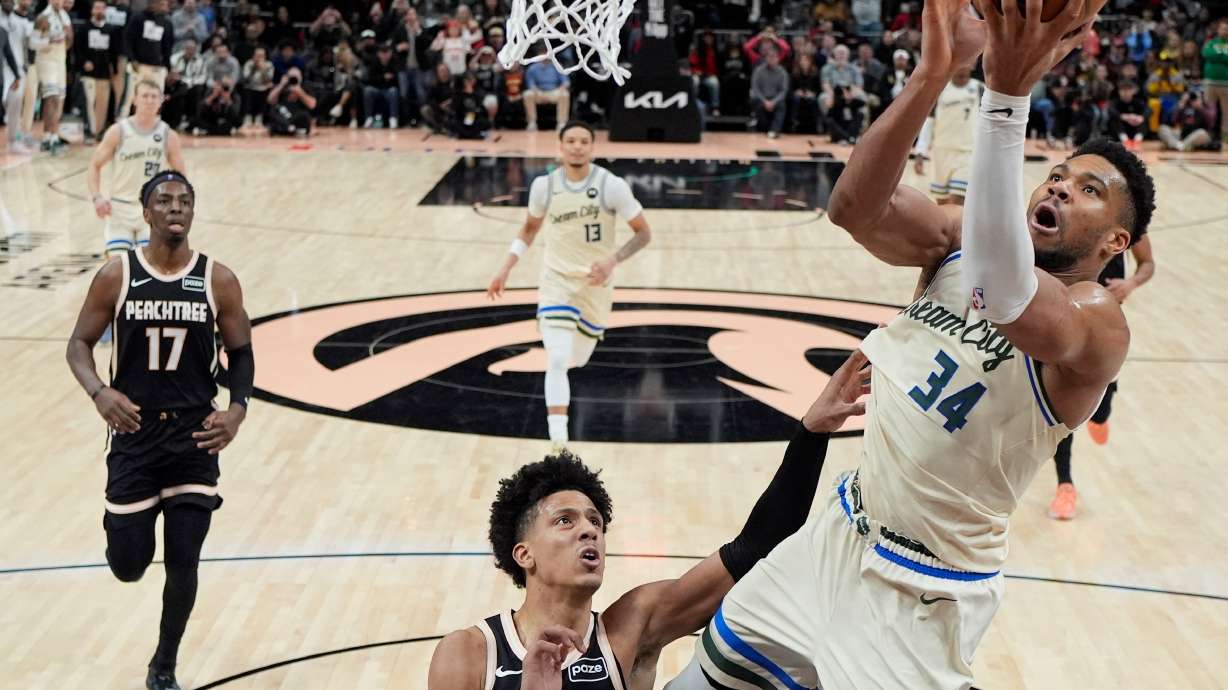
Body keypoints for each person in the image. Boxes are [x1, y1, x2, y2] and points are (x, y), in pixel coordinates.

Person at [666, 0, 1156, 687]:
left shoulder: (1098, 320)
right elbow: (853, 209)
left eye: (1089, 190)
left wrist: (1006, 95)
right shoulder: (958, 242)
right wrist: (930, 77)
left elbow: (1003, 295)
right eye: (1058, 176)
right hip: (838, 531)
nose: (1060, 187)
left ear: (1115, 244)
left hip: (924, 592)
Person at [427, 350, 871, 690]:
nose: (589, 530)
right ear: (523, 553)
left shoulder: (632, 624)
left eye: (595, 521)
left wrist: (811, 433)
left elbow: (756, 547)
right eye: (564, 521)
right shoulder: (469, 653)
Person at [65, 170, 253, 690]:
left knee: (184, 561)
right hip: (135, 436)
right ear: (146, 213)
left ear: (193, 212)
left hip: (195, 439)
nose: (176, 208)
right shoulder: (117, 275)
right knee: (128, 565)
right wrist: (100, 393)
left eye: (185, 201)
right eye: (165, 201)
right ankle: (124, 537)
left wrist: (237, 409)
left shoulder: (218, 279)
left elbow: (241, 352)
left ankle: (163, 664)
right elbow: (78, 345)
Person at [486, 121, 651, 450]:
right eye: (571, 141)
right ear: (559, 146)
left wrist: (612, 260)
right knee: (557, 357)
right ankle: (558, 439)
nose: (577, 146)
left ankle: (560, 425)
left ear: (592, 147)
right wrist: (505, 267)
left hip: (595, 287)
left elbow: (644, 233)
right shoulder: (544, 187)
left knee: (578, 357)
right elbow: (529, 230)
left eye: (584, 141)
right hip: (556, 284)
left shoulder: (610, 185)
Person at [1048, 233, 1155, 519]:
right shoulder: (1065, 225)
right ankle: (1065, 486)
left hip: (1105, 330)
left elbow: (1147, 263)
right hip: (1067, 325)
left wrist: (1130, 283)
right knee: (1061, 414)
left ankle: (1101, 415)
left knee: (1099, 406)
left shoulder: (1126, 226)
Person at [88, 79, 186, 259]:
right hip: (119, 209)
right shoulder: (119, 131)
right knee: (117, 268)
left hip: (152, 209)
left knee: (149, 268)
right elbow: (94, 165)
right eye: (145, 96)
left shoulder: (168, 135)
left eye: (154, 96)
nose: (149, 101)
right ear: (135, 99)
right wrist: (97, 198)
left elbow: (181, 177)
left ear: (161, 100)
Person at [913, 65, 983, 205]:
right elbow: (929, 123)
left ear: (972, 64)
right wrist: (920, 153)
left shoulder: (980, 89)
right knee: (942, 205)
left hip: (967, 153)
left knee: (957, 203)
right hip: (941, 153)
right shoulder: (939, 89)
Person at [119, 0, 174, 118]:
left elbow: (167, 47)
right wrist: (132, 59)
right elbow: (127, 40)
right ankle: (122, 123)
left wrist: (167, 68)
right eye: (162, 4)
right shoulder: (138, 18)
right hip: (139, 65)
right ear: (153, 4)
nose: (165, 8)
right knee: (130, 97)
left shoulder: (166, 22)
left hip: (157, 68)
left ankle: (154, 125)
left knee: (157, 98)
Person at [78, 1, 121, 145]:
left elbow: (114, 52)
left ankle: (99, 131)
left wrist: (114, 70)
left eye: (102, 8)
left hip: (104, 74)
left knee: (102, 105)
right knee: (89, 102)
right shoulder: (85, 28)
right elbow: (78, 51)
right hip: (88, 74)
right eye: (97, 8)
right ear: (92, 11)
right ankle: (89, 131)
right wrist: (84, 62)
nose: (100, 11)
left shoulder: (110, 29)